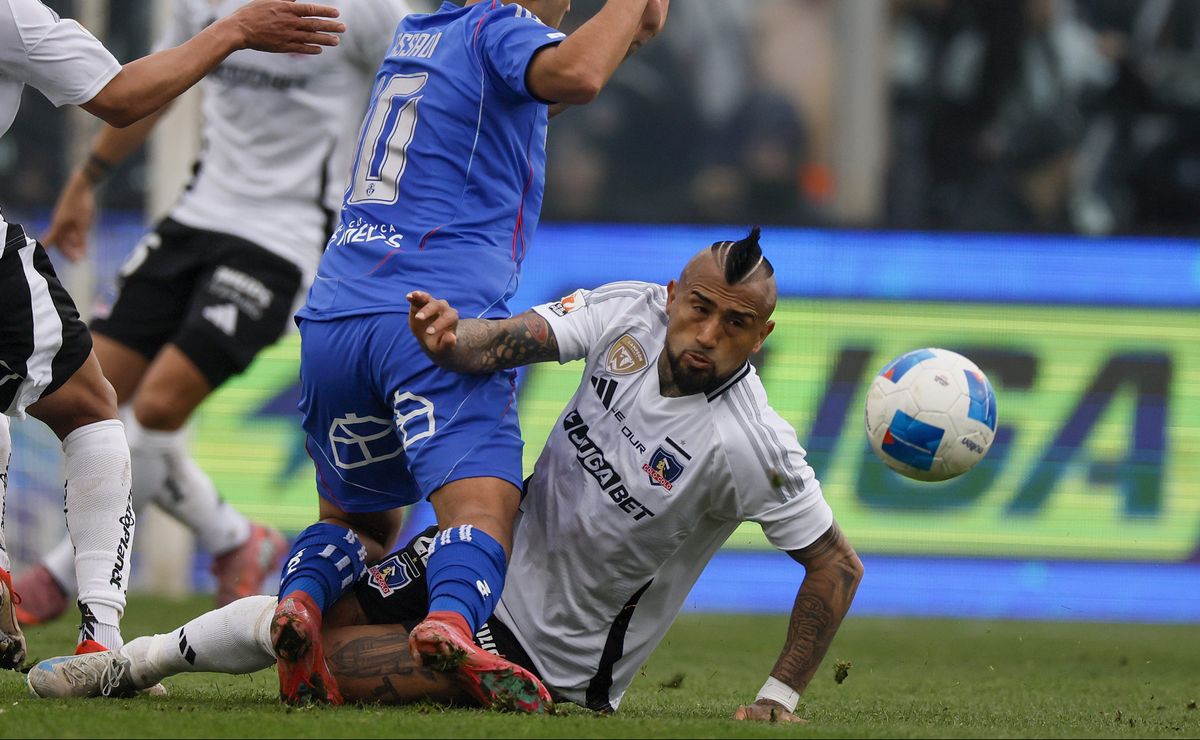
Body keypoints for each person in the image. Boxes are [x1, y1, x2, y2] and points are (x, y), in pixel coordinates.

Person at [28, 230, 864, 724]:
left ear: (763, 335)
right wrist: (448, 334)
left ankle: (132, 666)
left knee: (320, 664)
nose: (709, 332)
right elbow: (507, 341)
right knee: (322, 579)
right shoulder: (630, 312)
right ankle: (129, 667)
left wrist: (779, 694)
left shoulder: (753, 445)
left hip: (554, 651)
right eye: (701, 307)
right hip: (477, 564)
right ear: (675, 293)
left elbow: (836, 564)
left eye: (737, 323)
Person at [272, 0, 668, 709]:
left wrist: (630, 33)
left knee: (359, 525)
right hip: (436, 322)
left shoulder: (422, 34)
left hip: (336, 314)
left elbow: (529, 105)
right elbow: (575, 74)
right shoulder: (499, 23)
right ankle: (452, 623)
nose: (568, 6)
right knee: (483, 512)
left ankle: (300, 602)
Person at [12, 0, 421, 628]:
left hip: (284, 239)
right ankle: (231, 534)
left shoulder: (368, 11)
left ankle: (58, 576)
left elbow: (423, 98)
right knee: (86, 391)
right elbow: (152, 89)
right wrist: (85, 180)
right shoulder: (200, 3)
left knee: (157, 408)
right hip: (195, 218)